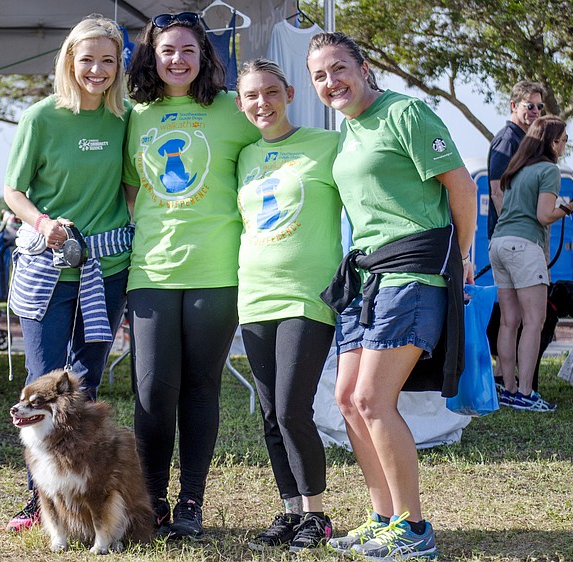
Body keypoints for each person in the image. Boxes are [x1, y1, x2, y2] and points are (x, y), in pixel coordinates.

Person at [306, 32, 477, 560]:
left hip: (414, 271)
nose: (331, 82)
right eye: (319, 75)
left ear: (363, 67)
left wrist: (461, 259)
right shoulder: (349, 131)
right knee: (346, 401)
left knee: (373, 400)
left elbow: (462, 187)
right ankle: (384, 518)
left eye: (339, 68)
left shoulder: (405, 113)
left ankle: (414, 530)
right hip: (367, 276)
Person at [122, 11, 261, 540]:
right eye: (166, 51)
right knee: (153, 390)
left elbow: (274, 153)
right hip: (151, 272)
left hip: (217, 271)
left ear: (204, 55)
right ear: (151, 59)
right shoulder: (136, 114)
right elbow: (133, 189)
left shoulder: (233, 111)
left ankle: (191, 504)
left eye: (187, 50)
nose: (177, 59)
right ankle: (151, 500)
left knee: (200, 388)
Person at [2, 15, 133, 531]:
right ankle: (39, 501)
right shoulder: (40, 117)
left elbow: (132, 187)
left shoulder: (126, 119)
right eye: (87, 60)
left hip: (108, 268)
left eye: (107, 60)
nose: (97, 70)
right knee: (43, 387)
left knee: (85, 384)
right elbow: (13, 191)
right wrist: (41, 222)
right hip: (48, 268)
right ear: (68, 61)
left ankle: (81, 495)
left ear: (119, 65)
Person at [234, 58, 342, 552]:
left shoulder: (328, 146)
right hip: (254, 296)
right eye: (252, 96)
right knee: (270, 413)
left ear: (290, 93)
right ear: (240, 104)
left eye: (271, 92)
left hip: (308, 296)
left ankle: (316, 516)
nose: (262, 103)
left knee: (293, 408)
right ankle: (290, 511)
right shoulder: (243, 157)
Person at [490, 115, 573, 412]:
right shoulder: (548, 170)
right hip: (524, 246)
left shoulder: (518, 169)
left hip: (499, 243)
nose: (566, 145)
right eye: (564, 140)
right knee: (534, 322)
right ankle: (527, 394)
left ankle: (508, 389)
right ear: (552, 143)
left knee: (509, 322)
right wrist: (572, 204)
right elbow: (544, 216)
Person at [487, 81, 547, 239]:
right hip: (512, 238)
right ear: (513, 106)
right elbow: (497, 192)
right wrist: (513, 231)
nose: (536, 111)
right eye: (530, 106)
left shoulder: (526, 141)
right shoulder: (507, 141)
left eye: (539, 106)